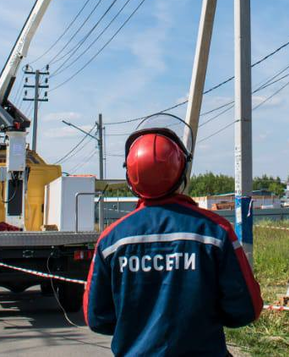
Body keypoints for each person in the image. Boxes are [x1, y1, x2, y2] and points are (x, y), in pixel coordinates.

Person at [84, 125, 263, 356]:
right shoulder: (216, 232)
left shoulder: (111, 241)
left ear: (131, 177)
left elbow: (96, 318)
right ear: (181, 171)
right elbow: (246, 309)